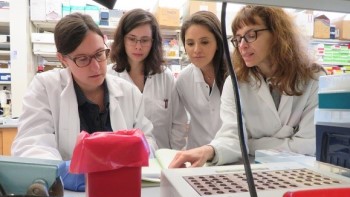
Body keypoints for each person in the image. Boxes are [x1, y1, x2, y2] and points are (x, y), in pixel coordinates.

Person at [11, 13, 157, 190]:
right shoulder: (45, 88)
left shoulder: (129, 93)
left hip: (122, 188)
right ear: (63, 59)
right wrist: (60, 172)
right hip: (68, 194)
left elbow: (148, 140)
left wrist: (137, 153)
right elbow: (32, 144)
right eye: (82, 59)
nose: (95, 66)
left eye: (99, 54)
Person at [169, 5, 326, 168]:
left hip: (300, 173)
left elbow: (308, 145)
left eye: (251, 35)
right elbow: (232, 136)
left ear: (278, 34)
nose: (242, 45)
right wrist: (211, 150)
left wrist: (249, 144)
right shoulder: (235, 82)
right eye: (238, 39)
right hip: (250, 171)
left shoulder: (313, 78)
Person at [108, 8, 188, 150]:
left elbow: (178, 123)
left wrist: (174, 156)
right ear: (122, 39)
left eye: (145, 40)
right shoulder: (109, 77)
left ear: (153, 42)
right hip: (124, 160)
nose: (138, 46)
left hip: (162, 160)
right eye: (132, 39)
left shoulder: (165, 77)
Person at [175, 10, 227, 149]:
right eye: (190, 43)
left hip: (233, 157)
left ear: (218, 43)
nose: (196, 50)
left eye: (204, 42)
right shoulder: (183, 80)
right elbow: (179, 122)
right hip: (197, 158)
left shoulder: (236, 75)